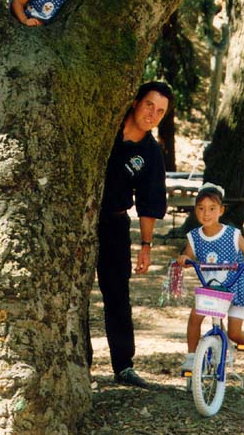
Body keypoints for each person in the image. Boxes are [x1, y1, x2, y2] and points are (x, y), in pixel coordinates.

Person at [97, 81, 174, 388]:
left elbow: (150, 201)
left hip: (115, 223)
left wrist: (145, 245)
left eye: (160, 111)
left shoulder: (151, 154)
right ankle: (79, 361)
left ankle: (123, 365)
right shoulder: (105, 127)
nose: (152, 114)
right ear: (135, 102)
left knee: (117, 294)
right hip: (78, 221)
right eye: (149, 105)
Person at [177, 183, 244, 375]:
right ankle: (191, 357)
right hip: (212, 289)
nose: (206, 214)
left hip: (235, 289)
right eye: (201, 209)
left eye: (212, 209)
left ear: (221, 210)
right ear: (195, 210)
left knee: (234, 333)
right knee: (194, 317)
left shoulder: (231, 234)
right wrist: (184, 259)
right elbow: (187, 255)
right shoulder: (194, 237)